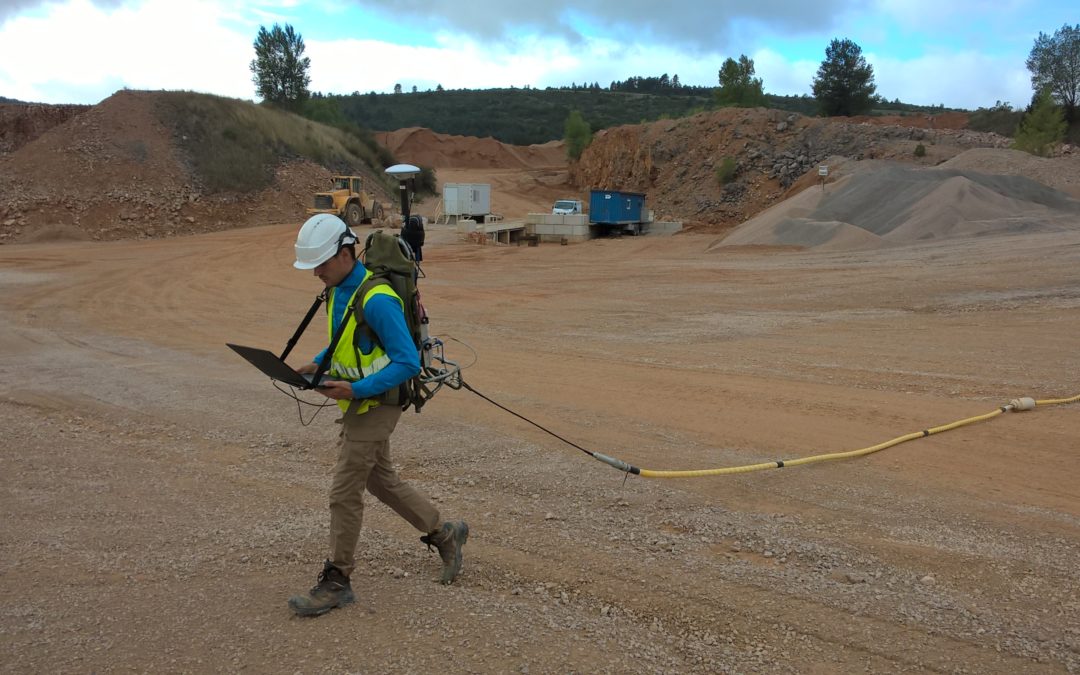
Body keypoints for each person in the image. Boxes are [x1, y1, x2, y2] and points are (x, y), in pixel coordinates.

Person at [287, 213, 468, 617]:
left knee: (344, 489)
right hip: (358, 402)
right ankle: (445, 533)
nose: (316, 272)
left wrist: (357, 389)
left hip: (378, 403)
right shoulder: (338, 290)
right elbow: (344, 341)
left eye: (322, 264)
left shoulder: (378, 298)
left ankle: (337, 580)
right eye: (312, 266)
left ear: (347, 253)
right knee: (380, 479)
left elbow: (406, 362)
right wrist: (314, 364)